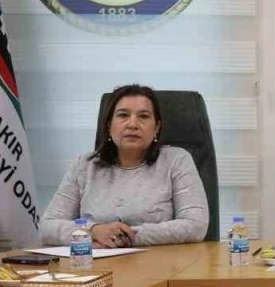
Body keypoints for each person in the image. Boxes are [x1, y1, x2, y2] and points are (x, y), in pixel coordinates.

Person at [40, 84, 209, 247]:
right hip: (97, 263)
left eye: (143, 116)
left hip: (161, 262)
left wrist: (122, 236)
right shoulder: (84, 166)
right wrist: (93, 231)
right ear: (108, 125)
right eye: (123, 115)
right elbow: (47, 227)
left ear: (156, 127)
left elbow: (195, 225)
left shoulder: (176, 161)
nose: (132, 124)